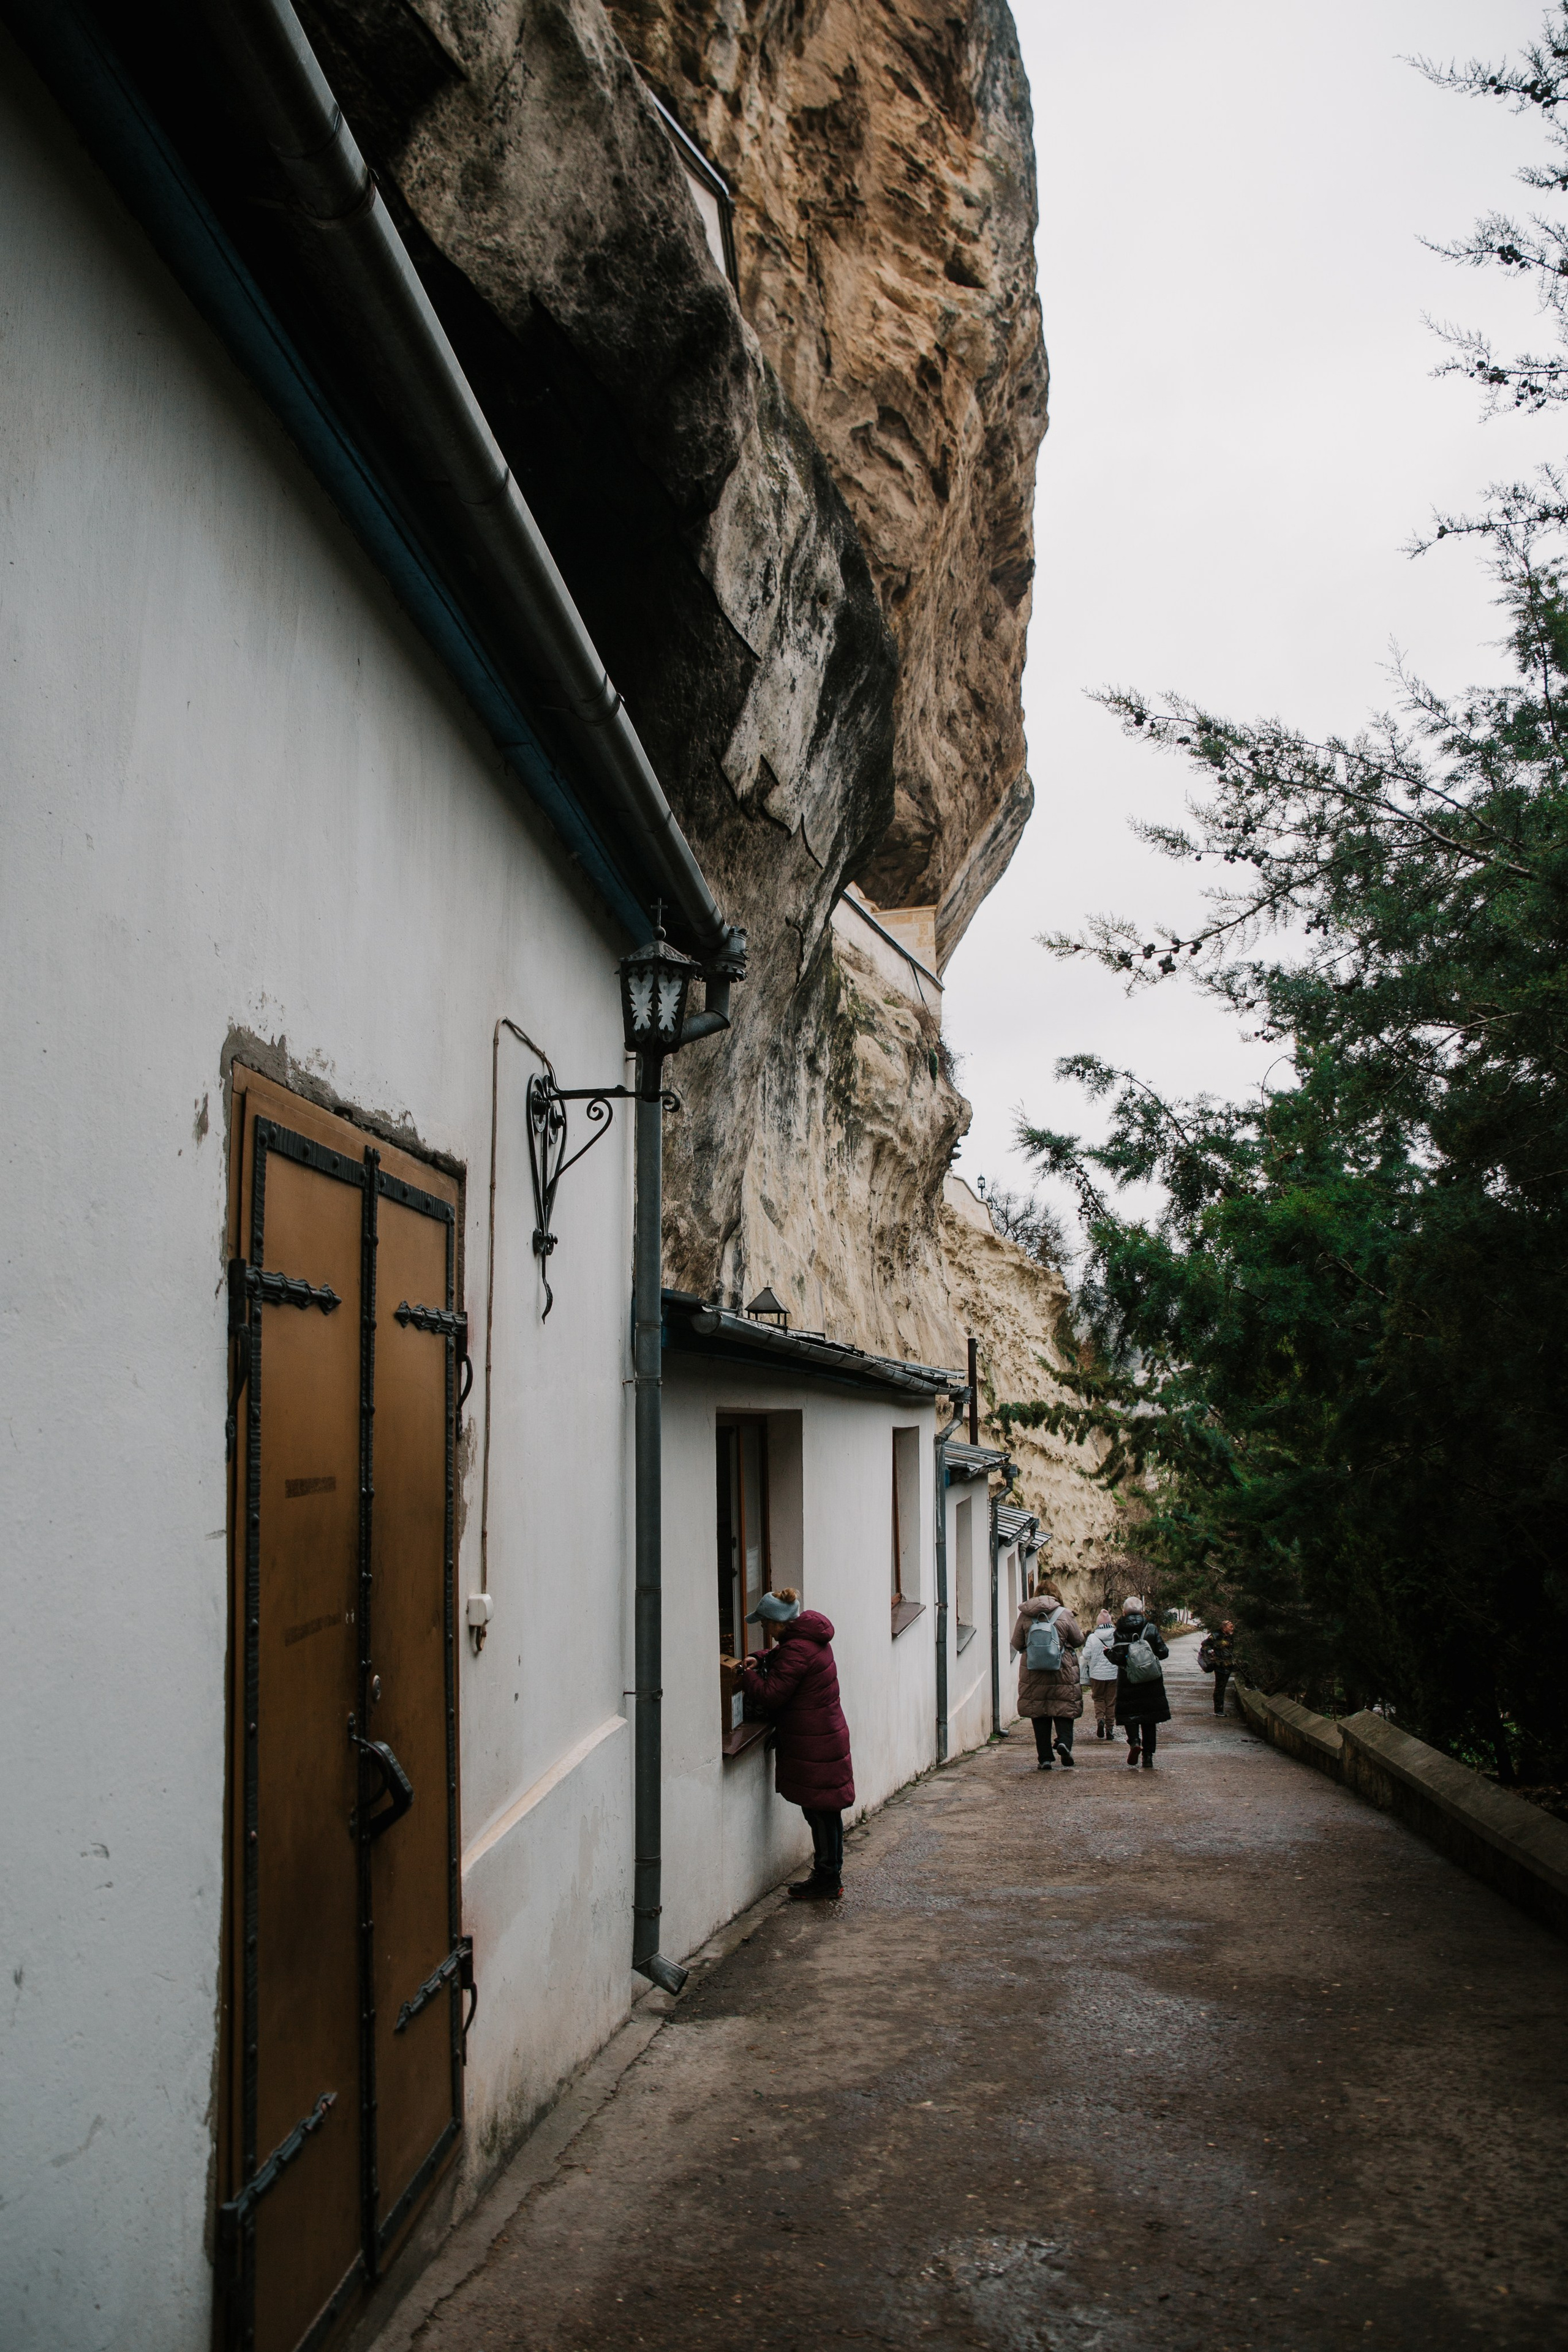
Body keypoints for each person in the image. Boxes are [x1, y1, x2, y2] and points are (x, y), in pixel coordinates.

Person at [736, 1589, 855, 1901]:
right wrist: (761, 1657)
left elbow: (772, 1694)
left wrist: (744, 1676)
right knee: (825, 1812)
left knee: (820, 1813)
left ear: (778, 1624)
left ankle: (828, 1879)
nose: (764, 1629)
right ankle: (829, 1875)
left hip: (815, 1741)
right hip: (823, 1735)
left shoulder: (797, 1649)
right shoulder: (807, 1639)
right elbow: (787, 1658)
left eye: (765, 1623)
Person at [1009, 1574, 1085, 1768]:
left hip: (1034, 1672)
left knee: (1040, 1714)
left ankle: (1044, 1758)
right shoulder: (1064, 1614)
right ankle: (1063, 1743)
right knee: (1064, 1710)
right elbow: (1077, 1640)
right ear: (1057, 1595)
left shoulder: (1026, 1615)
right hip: (1063, 1669)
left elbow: (1017, 1644)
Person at [1107, 1594, 1170, 1768]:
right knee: (1149, 1718)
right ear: (1142, 1611)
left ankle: (1135, 1742)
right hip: (1151, 1680)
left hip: (1129, 1679)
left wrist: (1109, 1654)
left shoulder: (1120, 1631)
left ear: (1124, 1612)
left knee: (1130, 1714)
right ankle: (1148, 1756)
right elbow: (1164, 1652)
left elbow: (1118, 1658)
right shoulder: (1151, 1628)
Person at [1080, 1608, 1121, 1740]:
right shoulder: (1116, 1635)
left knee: (1098, 1699)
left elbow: (1086, 1655)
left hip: (1096, 1675)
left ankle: (1100, 1719)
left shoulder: (1093, 1637)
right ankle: (1109, 1729)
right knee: (1111, 1702)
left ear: (1098, 1623)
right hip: (1114, 1674)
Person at [1197, 1618, 1237, 1716]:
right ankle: (1218, 1710)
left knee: (1222, 1686)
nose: (1232, 1627)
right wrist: (1212, 1653)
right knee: (1220, 1687)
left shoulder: (1230, 1637)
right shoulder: (1216, 1635)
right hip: (1219, 1665)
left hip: (1228, 1664)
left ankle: (1250, 1685)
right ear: (1224, 1628)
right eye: (1229, 1626)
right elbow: (1205, 1645)